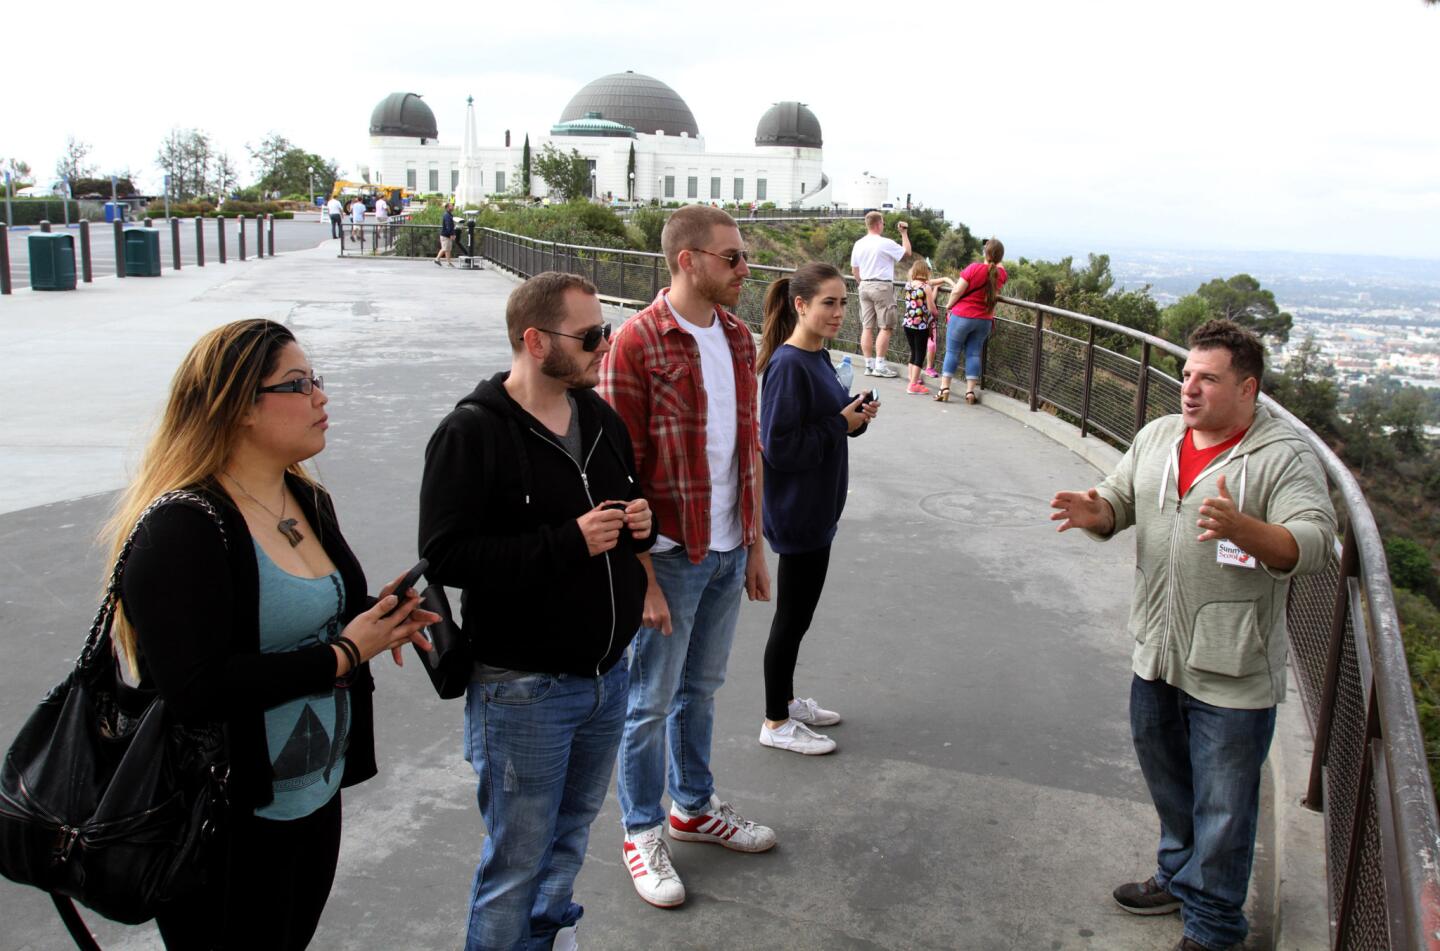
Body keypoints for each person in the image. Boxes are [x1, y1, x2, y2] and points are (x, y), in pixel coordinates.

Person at [110, 318, 437, 950]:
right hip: (224, 817)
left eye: (317, 379)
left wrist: (377, 617)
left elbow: (307, 612)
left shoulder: (305, 499)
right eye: (298, 384)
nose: (321, 396)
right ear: (239, 409)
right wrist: (345, 654)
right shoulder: (183, 527)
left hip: (313, 795)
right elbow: (197, 689)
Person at [1049, 319, 1336, 951]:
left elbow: (1315, 544)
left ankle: (1212, 928)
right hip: (1155, 652)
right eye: (1186, 374)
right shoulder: (1159, 437)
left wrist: (1243, 529)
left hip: (1232, 667)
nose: (1189, 388)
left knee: (1226, 809)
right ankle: (1178, 877)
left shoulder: (1283, 456)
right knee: (1172, 785)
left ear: (1247, 388)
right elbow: (1119, 498)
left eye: (1208, 378)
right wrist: (1098, 512)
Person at [419, 272, 655, 950]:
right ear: (534, 340)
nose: (604, 347)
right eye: (589, 336)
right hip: (523, 688)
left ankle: (544, 939)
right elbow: (446, 555)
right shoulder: (472, 432)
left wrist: (641, 520)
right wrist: (567, 542)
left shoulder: (600, 419)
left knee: (570, 838)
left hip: (606, 677)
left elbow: (629, 510)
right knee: (516, 861)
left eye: (604, 332)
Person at [599, 203, 774, 910]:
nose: (745, 269)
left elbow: (745, 449)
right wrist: (641, 577)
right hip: (668, 557)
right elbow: (618, 468)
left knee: (701, 690)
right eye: (731, 258)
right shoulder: (637, 343)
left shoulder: (736, 337)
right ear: (688, 260)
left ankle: (693, 807)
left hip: (728, 546)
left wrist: (754, 547)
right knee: (648, 702)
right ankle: (641, 828)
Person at [754, 263, 879, 755]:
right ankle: (776, 720)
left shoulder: (818, 357)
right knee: (791, 618)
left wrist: (855, 417)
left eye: (844, 303)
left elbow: (827, 422)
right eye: (829, 302)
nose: (839, 312)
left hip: (818, 506)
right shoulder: (788, 364)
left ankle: (784, 700)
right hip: (798, 510)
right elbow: (778, 447)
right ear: (799, 304)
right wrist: (840, 427)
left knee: (798, 616)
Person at [935, 238, 1006, 404]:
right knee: (974, 353)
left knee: (952, 351)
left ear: (985, 253)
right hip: (984, 320)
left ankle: (944, 389)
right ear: (1001, 257)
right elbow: (998, 266)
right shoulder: (1001, 274)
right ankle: (970, 392)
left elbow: (957, 291)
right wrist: (995, 255)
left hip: (962, 316)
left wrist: (949, 305)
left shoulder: (974, 268)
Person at [849, 210, 912, 379]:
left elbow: (855, 269)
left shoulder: (858, 243)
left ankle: (868, 365)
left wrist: (861, 282)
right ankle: (880, 365)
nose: (883, 226)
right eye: (882, 223)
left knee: (867, 326)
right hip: (882, 286)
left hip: (864, 285)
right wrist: (904, 234)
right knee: (886, 326)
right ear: (878, 224)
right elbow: (907, 254)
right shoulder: (885, 243)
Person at [900, 260, 945, 395]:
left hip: (908, 323)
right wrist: (938, 314)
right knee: (920, 355)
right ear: (925, 271)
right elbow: (932, 308)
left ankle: (912, 379)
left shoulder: (908, 285)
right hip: (920, 326)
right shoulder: (926, 287)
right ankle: (913, 385)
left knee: (913, 352)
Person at [436, 202, 456, 268]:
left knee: (447, 249)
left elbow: (450, 226)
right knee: (445, 248)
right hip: (445, 235)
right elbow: (448, 226)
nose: (452, 207)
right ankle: (438, 259)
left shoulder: (449, 215)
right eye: (451, 206)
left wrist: (452, 234)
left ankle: (447, 262)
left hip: (447, 235)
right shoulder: (447, 215)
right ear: (447, 208)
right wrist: (451, 234)